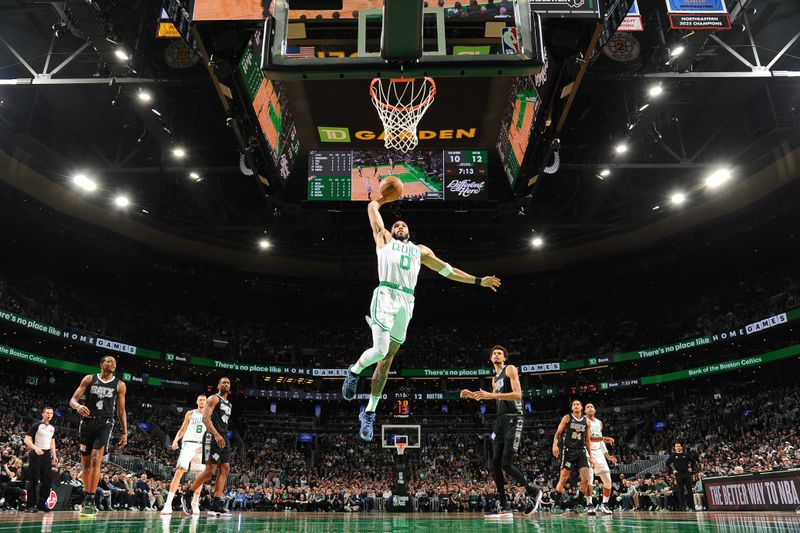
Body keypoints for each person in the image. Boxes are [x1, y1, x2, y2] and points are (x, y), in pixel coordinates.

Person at [341, 198, 501, 440]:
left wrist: (479, 280)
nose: (400, 227)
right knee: (380, 349)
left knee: (386, 361)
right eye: (396, 225)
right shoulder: (383, 238)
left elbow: (449, 271)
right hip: (386, 293)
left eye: (403, 225)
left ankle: (369, 413)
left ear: (410, 232)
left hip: (407, 302)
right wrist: (383, 199)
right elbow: (372, 209)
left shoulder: (421, 251)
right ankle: (354, 371)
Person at [462, 346, 541, 517]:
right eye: (494, 354)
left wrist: (491, 395)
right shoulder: (494, 379)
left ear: (504, 358)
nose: (496, 355)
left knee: (506, 462)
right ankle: (504, 507)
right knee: (494, 464)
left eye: (500, 353)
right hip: (500, 421)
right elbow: (497, 402)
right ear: (490, 358)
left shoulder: (510, 369)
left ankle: (532, 490)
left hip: (514, 417)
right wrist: (474, 396)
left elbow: (517, 394)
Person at [69, 355, 127, 518]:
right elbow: (73, 400)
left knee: (96, 459)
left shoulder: (120, 385)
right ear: (101, 364)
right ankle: (87, 494)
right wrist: (78, 406)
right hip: (87, 423)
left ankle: (91, 499)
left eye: (115, 362)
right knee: (86, 463)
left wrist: (124, 431)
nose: (113, 363)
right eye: (109, 361)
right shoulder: (89, 379)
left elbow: (121, 410)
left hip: (105, 423)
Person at [181, 377, 233, 517]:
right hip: (212, 436)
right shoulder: (213, 399)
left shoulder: (229, 404)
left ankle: (215, 505)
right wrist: (216, 435)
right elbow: (205, 418)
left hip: (224, 437)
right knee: (210, 471)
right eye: (223, 382)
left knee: (225, 468)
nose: (226, 384)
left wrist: (222, 436)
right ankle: (187, 495)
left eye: (228, 383)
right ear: (218, 385)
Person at [163, 395, 207, 514]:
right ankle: (168, 504)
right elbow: (182, 429)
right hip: (189, 444)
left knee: (200, 476)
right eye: (200, 399)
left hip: (203, 446)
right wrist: (176, 440)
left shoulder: (210, 414)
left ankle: (195, 502)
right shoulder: (190, 413)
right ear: (197, 401)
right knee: (179, 470)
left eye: (204, 400)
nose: (202, 401)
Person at [552, 399, 596, 516]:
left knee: (586, 478)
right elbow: (558, 433)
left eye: (578, 404)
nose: (576, 406)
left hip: (581, 452)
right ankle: (556, 504)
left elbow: (587, 440)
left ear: (581, 408)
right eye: (574, 405)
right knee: (564, 479)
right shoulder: (567, 418)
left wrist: (591, 456)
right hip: (568, 452)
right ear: (572, 408)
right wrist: (555, 445)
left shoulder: (586, 421)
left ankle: (579, 504)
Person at [585, 403, 617, 515]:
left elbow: (600, 440)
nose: (590, 408)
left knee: (608, 480)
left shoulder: (599, 423)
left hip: (598, 451)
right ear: (585, 411)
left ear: (595, 409)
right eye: (587, 407)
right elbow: (588, 438)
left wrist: (607, 455)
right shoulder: (583, 421)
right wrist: (604, 438)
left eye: (591, 407)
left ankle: (604, 504)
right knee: (589, 479)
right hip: (586, 451)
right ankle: (589, 504)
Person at [23, 406, 57, 512]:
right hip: (36, 453)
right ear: (42, 414)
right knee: (33, 479)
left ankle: (41, 503)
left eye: (51, 413)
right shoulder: (37, 425)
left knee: (47, 480)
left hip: (46, 455)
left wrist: (54, 455)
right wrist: (35, 448)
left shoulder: (52, 428)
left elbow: (52, 441)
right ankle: (30, 505)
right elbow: (26, 440)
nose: (49, 415)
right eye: (47, 413)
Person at [666, 441, 695, 511]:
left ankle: (692, 506)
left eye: (679, 446)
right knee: (680, 491)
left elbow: (693, 461)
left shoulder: (685, 454)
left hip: (686, 474)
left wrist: (691, 467)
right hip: (678, 474)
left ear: (681, 447)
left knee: (689, 490)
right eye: (676, 446)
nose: (678, 447)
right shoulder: (673, 455)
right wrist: (672, 470)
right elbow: (667, 463)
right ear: (675, 448)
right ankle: (683, 506)